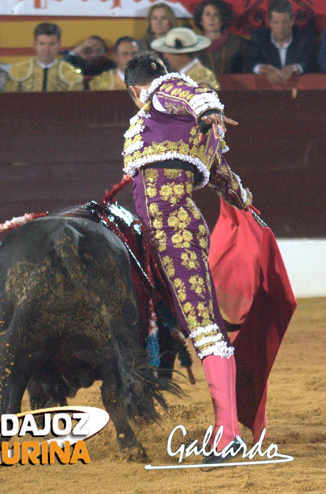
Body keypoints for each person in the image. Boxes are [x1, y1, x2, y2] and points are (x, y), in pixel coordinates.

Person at [123, 52, 252, 464]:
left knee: (204, 325)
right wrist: (247, 202)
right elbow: (225, 180)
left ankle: (227, 434)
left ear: (134, 89)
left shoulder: (162, 93)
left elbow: (192, 94)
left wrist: (210, 108)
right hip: (154, 231)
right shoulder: (198, 132)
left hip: (175, 228)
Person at [243, 0, 317, 85]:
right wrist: (264, 69)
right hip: (266, 89)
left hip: (297, 88)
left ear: (292, 21)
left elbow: (310, 63)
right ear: (270, 23)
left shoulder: (304, 37)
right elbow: (248, 64)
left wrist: (293, 68)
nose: (281, 27)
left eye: (285, 22)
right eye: (276, 22)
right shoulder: (259, 37)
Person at [5, 23, 83, 92]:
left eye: (52, 44)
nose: (46, 49)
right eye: (42, 44)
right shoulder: (18, 70)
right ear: (34, 44)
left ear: (59, 44)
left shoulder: (71, 73)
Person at [151, 27, 220, 90]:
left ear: (183, 55)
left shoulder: (202, 79)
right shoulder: (188, 74)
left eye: (170, 52)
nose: (165, 56)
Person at [193, 0, 247, 75]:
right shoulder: (193, 45)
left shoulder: (238, 43)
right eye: (207, 14)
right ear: (201, 20)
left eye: (216, 14)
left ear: (223, 19)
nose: (211, 18)